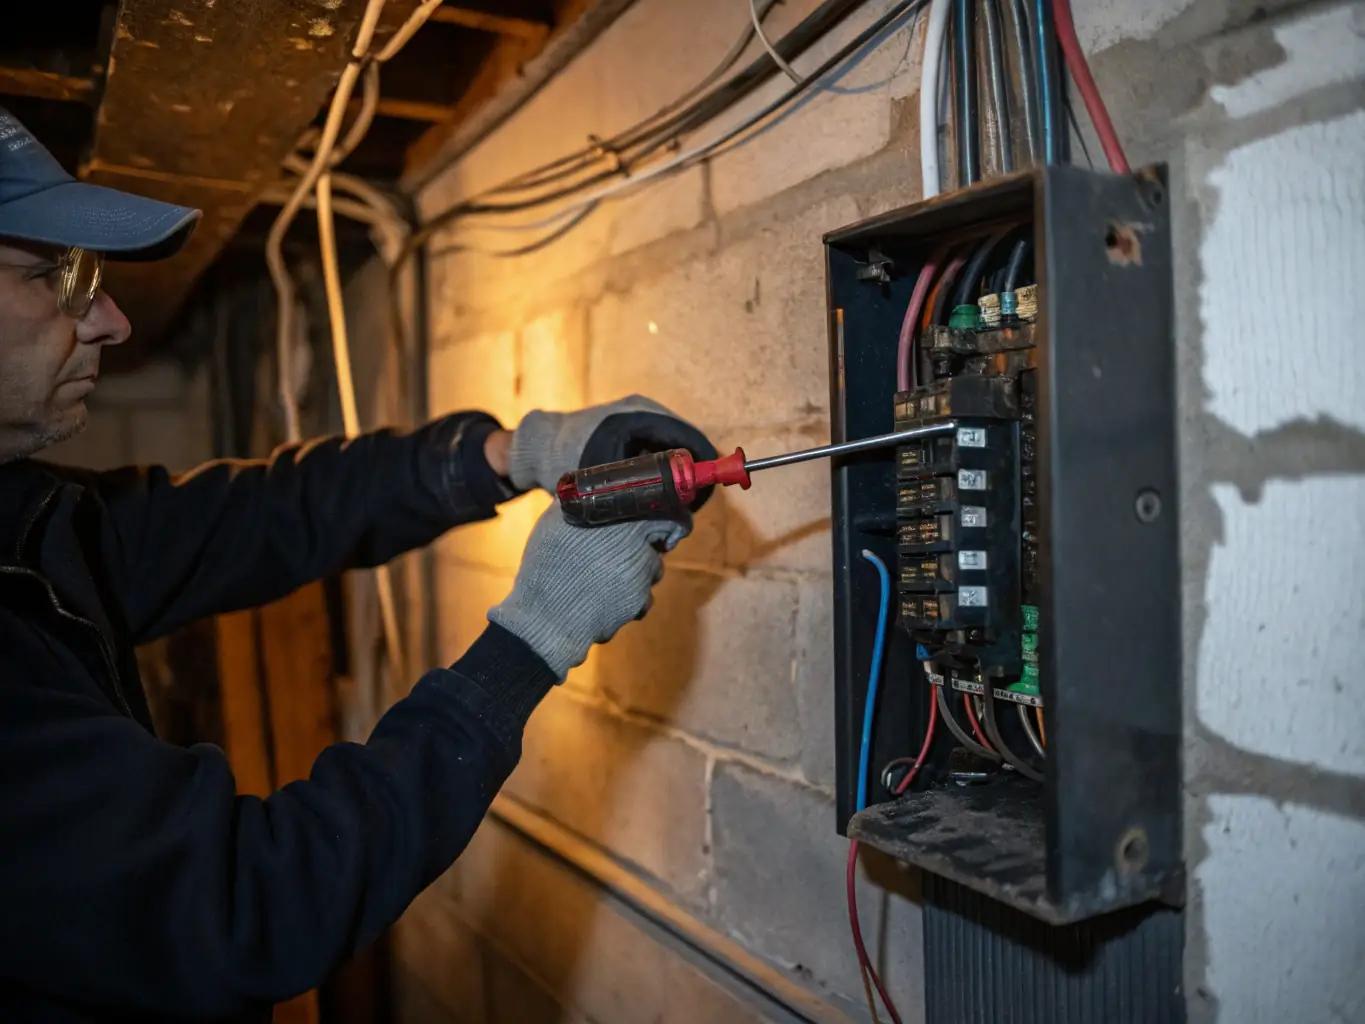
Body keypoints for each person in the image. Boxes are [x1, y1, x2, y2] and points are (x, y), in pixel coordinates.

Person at [0, 106, 716, 1021]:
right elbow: (246, 906)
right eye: (55, 276)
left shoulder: (24, 518)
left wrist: (514, 453)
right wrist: (534, 636)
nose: (111, 320)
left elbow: (253, 518)